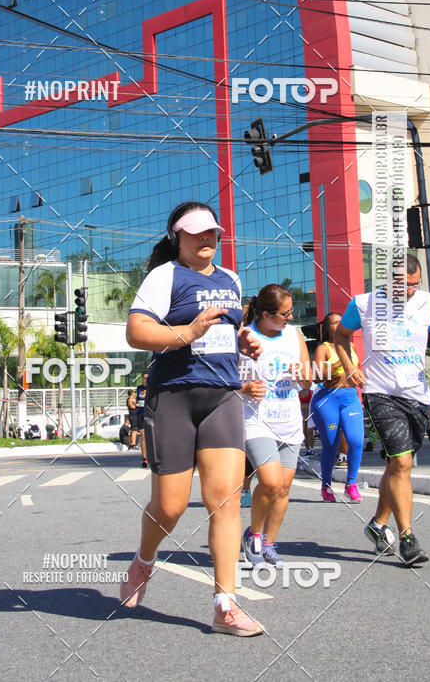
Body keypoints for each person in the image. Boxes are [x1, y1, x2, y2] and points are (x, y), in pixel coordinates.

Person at [120, 201, 265, 636]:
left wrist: (244, 340)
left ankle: (225, 605)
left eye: (212, 232)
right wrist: (189, 332)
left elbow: (229, 328)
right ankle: (143, 561)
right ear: (177, 237)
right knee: (170, 506)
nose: (207, 238)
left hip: (223, 397)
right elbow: (137, 332)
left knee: (226, 500)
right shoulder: (164, 276)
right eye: (196, 232)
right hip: (173, 398)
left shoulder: (231, 279)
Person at [335, 254, 430, 565]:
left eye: (415, 285)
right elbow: (341, 336)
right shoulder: (363, 303)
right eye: (405, 286)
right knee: (402, 462)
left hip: (416, 395)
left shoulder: (427, 303)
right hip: (380, 392)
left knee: (397, 467)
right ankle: (408, 538)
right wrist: (349, 367)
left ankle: (377, 525)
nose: (411, 291)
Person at [240, 285, 312, 567]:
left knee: (283, 488)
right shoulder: (245, 336)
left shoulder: (294, 335)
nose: (290, 318)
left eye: (291, 312)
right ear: (266, 314)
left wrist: (302, 374)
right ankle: (254, 535)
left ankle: (269, 543)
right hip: (256, 421)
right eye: (284, 314)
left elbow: (307, 381)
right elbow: (224, 379)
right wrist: (246, 388)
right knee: (270, 482)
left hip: (289, 422)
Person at [310, 312, 364, 503]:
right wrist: (341, 360)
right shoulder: (323, 348)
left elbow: (357, 370)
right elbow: (316, 376)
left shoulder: (352, 346)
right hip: (328, 400)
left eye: (341, 321)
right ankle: (326, 485)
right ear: (327, 328)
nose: (339, 324)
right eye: (334, 322)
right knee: (331, 444)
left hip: (350, 398)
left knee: (356, 441)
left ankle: (351, 484)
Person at [136, 372, 148, 468]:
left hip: (151, 415)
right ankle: (144, 459)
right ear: (142, 379)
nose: (146, 380)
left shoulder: (153, 388)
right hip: (141, 414)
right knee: (143, 436)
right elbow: (136, 401)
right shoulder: (139, 389)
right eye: (145, 378)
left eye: (148, 378)